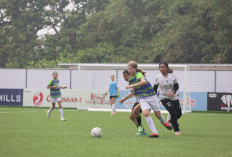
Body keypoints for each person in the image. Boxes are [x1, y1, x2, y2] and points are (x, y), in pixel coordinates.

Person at [126, 61, 172, 138]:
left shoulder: (138, 74)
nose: (129, 71)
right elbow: (135, 90)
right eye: (128, 69)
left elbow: (143, 82)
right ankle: (155, 133)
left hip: (151, 95)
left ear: (135, 69)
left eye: (131, 69)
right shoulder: (130, 78)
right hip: (142, 98)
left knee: (158, 114)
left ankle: (164, 122)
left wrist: (131, 86)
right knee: (146, 113)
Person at [154, 61, 182, 135]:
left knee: (179, 114)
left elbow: (176, 86)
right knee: (173, 112)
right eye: (161, 67)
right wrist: (153, 97)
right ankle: (176, 130)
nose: (162, 68)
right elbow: (155, 88)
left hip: (173, 97)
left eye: (163, 67)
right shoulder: (157, 78)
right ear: (159, 69)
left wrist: (173, 92)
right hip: (164, 98)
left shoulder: (172, 76)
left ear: (167, 68)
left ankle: (170, 121)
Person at [119, 70, 147, 135]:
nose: (125, 78)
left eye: (126, 76)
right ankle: (142, 130)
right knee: (131, 117)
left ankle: (141, 128)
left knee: (135, 111)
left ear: (130, 75)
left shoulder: (134, 81)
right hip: (138, 100)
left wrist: (123, 99)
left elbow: (133, 93)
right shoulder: (130, 83)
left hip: (143, 99)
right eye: (124, 77)